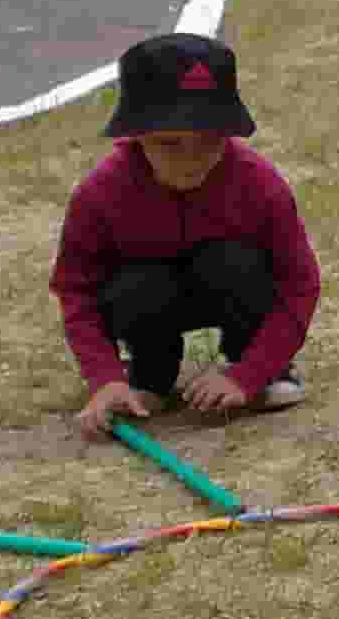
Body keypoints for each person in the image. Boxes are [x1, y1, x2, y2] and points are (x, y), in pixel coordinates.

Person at [53, 32, 319, 437]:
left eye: (209, 140)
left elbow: (299, 284)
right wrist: (104, 377)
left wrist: (249, 374)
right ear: (135, 134)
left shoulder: (261, 184)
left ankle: (266, 372)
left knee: (234, 263)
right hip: (147, 296)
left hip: (232, 285)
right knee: (137, 283)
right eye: (168, 143)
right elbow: (76, 291)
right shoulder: (99, 193)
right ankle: (149, 376)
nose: (189, 159)